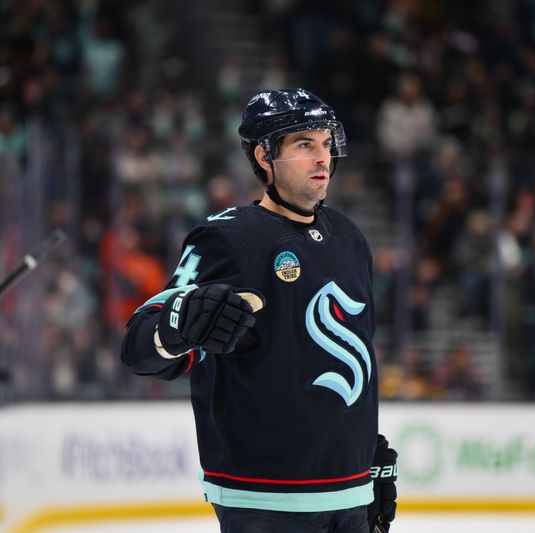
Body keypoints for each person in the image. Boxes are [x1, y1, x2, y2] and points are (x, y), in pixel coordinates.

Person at [121, 88, 398, 533]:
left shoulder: (349, 238)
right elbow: (139, 347)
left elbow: (356, 357)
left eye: (326, 144)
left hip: (350, 492)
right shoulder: (229, 240)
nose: (322, 158)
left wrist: (368, 449)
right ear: (264, 156)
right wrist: (177, 327)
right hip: (264, 499)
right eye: (305, 145)